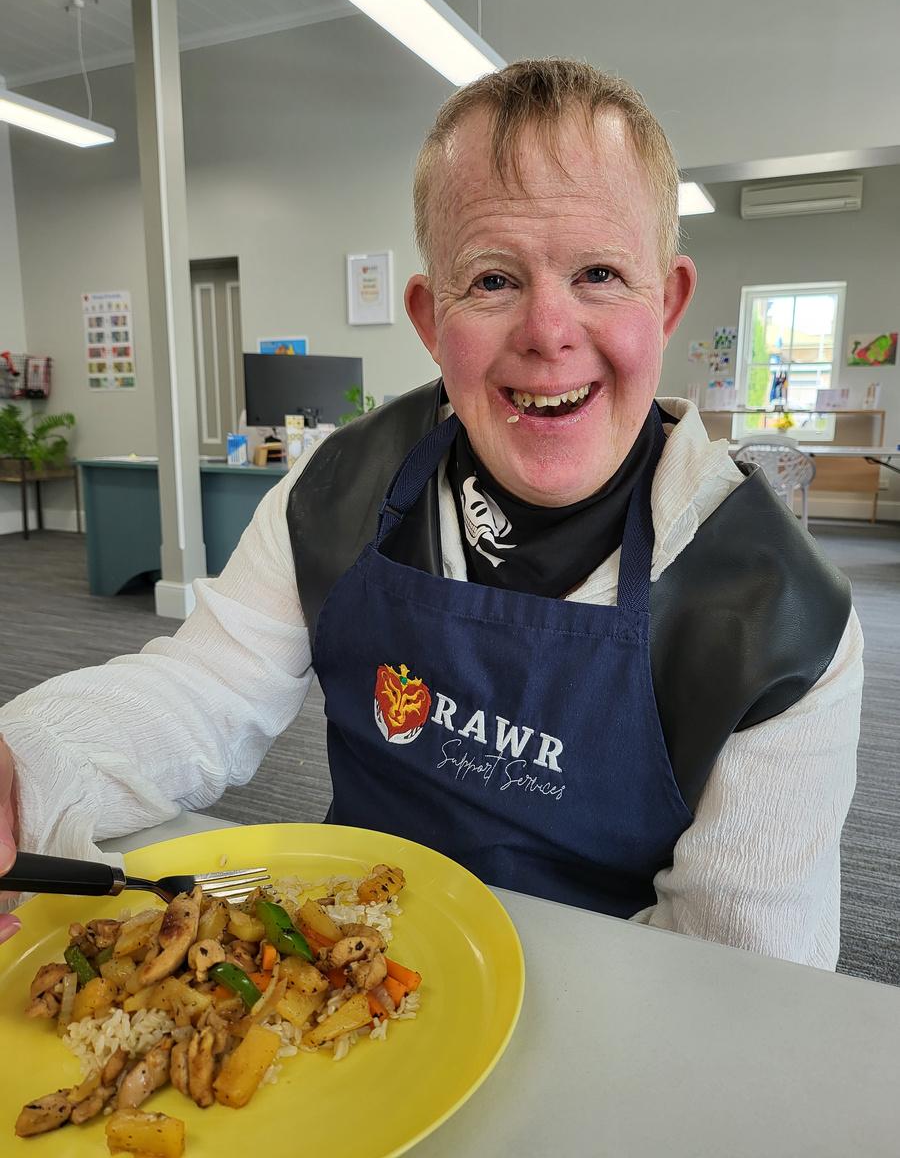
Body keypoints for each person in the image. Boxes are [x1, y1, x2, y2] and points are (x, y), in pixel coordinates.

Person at [0, 59, 861, 967]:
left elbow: (742, 967)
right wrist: (22, 764)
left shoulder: (781, 618)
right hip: (347, 976)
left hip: (609, 1010)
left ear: (669, 302)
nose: (548, 332)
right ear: (427, 317)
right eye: (492, 281)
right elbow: (202, 692)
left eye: (600, 273)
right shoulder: (337, 492)